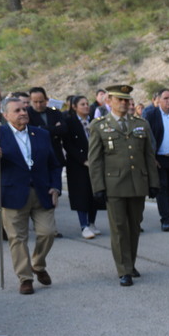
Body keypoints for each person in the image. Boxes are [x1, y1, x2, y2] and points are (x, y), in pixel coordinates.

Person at [0, 96, 62, 294]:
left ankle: (38, 265)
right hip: (12, 193)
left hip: (41, 191)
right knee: (17, 238)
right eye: (17, 110)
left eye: (24, 109)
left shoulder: (40, 134)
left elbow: (54, 164)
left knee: (47, 232)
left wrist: (56, 187)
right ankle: (25, 278)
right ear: (6, 116)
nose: (23, 113)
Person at [88, 85, 160, 287]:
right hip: (114, 184)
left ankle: (130, 263)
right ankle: (123, 269)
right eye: (119, 100)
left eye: (126, 100)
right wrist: (98, 187)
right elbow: (95, 160)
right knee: (119, 228)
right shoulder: (99, 126)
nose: (124, 103)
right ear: (108, 101)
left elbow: (148, 155)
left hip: (138, 182)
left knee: (134, 226)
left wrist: (153, 182)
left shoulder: (141, 124)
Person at [142, 88, 169, 231]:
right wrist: (151, 157)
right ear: (158, 100)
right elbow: (146, 139)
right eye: (166, 98)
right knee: (162, 188)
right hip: (158, 158)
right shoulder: (151, 115)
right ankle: (165, 219)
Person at [58, 95, 99, 239]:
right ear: (74, 107)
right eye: (82, 104)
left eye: (87, 104)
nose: (86, 106)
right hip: (77, 165)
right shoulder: (69, 122)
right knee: (81, 194)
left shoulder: (94, 122)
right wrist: (83, 160)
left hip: (94, 163)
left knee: (95, 193)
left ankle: (92, 222)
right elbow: (68, 145)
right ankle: (84, 225)